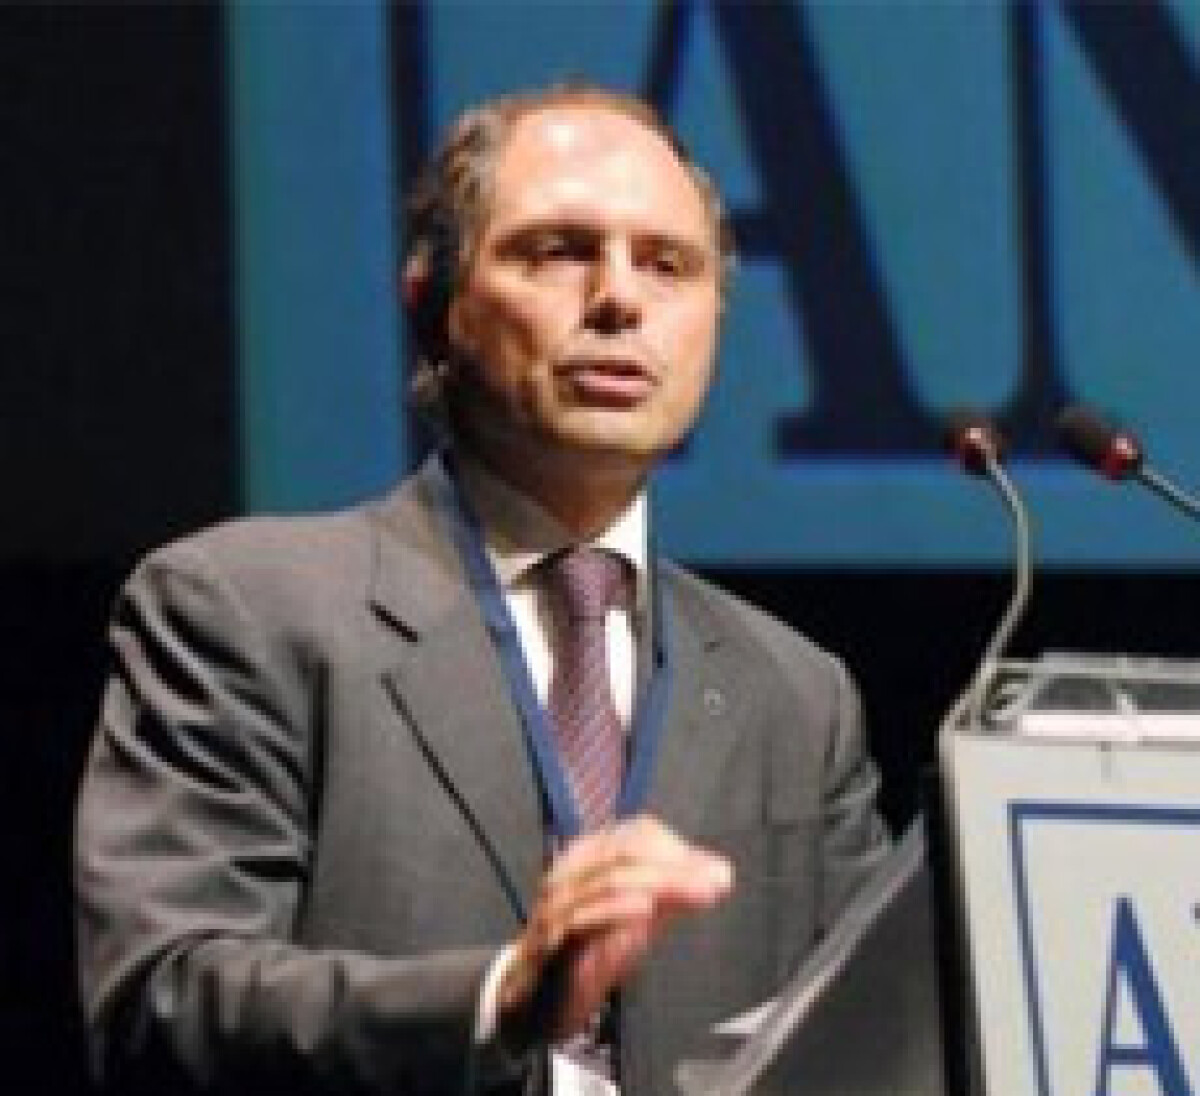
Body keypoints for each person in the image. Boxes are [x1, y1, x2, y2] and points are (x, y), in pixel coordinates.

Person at [74, 84, 891, 1096]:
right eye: (558, 251)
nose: (619, 299)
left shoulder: (798, 695)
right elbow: (162, 1004)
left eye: (666, 264)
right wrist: (500, 999)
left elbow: (883, 1039)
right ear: (435, 304)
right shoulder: (247, 611)